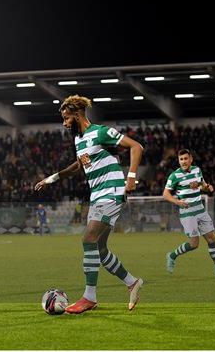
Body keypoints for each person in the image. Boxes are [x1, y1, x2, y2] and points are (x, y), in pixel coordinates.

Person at [35, 95, 144, 314]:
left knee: (88, 239)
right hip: (97, 197)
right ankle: (132, 282)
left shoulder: (101, 132)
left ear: (77, 115)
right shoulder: (78, 140)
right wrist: (51, 179)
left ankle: (89, 297)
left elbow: (136, 147)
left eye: (66, 119)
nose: (64, 124)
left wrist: (131, 177)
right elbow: (77, 166)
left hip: (112, 194)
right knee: (100, 250)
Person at [163, 149, 215, 279]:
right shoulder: (174, 176)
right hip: (187, 211)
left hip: (200, 209)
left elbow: (203, 185)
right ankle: (172, 255)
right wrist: (177, 202)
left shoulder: (197, 170)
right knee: (194, 244)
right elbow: (165, 194)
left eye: (185, 158)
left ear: (191, 159)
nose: (183, 161)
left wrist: (208, 187)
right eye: (181, 159)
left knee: (211, 238)